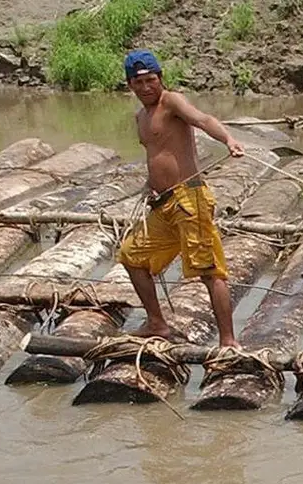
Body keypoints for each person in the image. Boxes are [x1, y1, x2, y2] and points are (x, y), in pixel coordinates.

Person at [116, 49, 245, 346]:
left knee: (210, 271)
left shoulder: (171, 101)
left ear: (160, 79)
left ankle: (228, 341)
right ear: (130, 85)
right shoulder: (140, 117)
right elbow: (157, 155)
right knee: (132, 256)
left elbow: (202, 119)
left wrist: (228, 139)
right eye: (139, 82)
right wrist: (150, 184)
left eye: (151, 80)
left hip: (190, 199)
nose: (146, 87)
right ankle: (157, 323)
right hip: (163, 204)